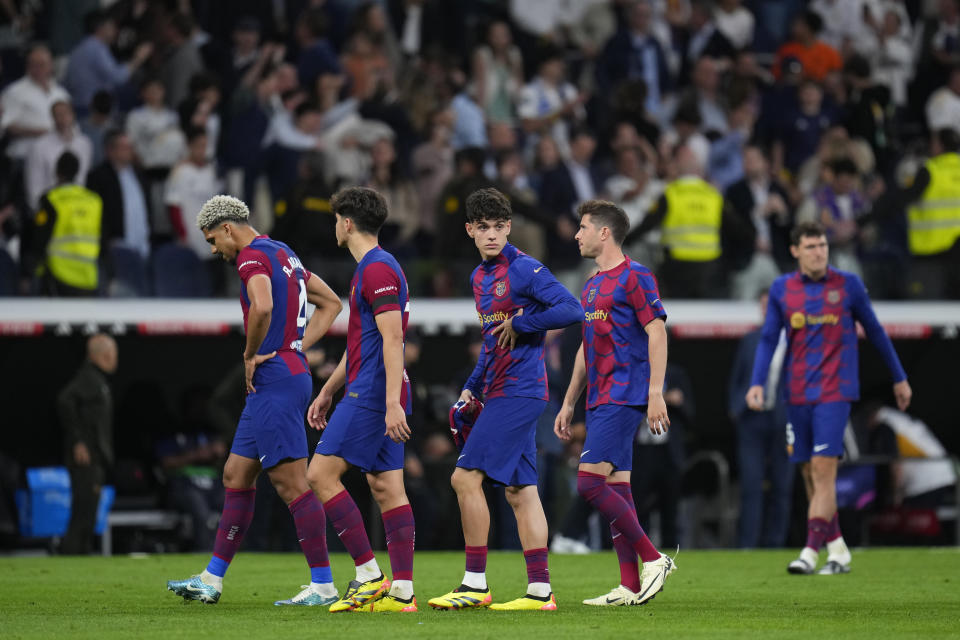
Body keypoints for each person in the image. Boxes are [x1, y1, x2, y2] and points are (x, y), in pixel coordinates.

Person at [167, 195, 344, 605]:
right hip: (283, 374)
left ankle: (323, 585)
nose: (215, 250)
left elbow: (261, 305)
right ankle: (212, 579)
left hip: (275, 378)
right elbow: (331, 303)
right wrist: (295, 347)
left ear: (228, 228)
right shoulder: (284, 253)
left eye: (213, 240)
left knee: (291, 484)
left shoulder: (249, 257)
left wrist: (252, 354)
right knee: (235, 474)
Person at [427, 188, 581, 612]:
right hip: (498, 388)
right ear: (470, 231)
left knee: (464, 479)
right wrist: (473, 385)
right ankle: (540, 592)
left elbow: (571, 309)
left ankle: (475, 584)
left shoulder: (525, 268)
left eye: (498, 227)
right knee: (520, 491)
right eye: (483, 228)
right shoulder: (479, 278)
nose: (491, 235)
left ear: (508, 227)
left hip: (520, 391)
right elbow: (492, 342)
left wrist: (523, 319)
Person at [746, 221, 912, 575]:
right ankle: (838, 549)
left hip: (835, 392)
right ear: (795, 251)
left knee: (823, 471)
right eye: (810, 247)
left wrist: (900, 377)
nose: (819, 251)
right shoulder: (781, 289)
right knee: (809, 473)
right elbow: (768, 339)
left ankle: (809, 551)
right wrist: (757, 382)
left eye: (822, 245)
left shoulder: (848, 285)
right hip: (797, 393)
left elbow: (877, 331)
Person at [555, 199, 676, 607]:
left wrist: (655, 391)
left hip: (625, 394)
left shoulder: (636, 276)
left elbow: (656, 331)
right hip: (599, 395)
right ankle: (629, 585)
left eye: (583, 227)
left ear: (604, 233)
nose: (577, 234)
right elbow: (586, 350)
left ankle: (653, 558)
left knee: (588, 483)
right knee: (616, 488)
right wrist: (569, 401)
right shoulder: (591, 284)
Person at [305, 186, 418, 613]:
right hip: (371, 385)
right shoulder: (375, 268)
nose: (336, 226)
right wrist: (329, 389)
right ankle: (403, 593)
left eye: (337, 219)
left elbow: (393, 340)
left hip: (373, 392)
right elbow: (364, 343)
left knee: (320, 474)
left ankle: (370, 576)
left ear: (347, 223)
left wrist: (390, 403)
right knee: (387, 486)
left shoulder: (376, 270)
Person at [728, 290, 792, 548]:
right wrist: (734, 408)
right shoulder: (751, 339)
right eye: (765, 305)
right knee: (751, 484)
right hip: (752, 419)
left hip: (785, 420)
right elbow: (737, 377)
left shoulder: (796, 341)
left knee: (782, 485)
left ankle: (775, 543)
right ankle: (748, 545)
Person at [57, 334, 117, 554]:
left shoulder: (98, 381)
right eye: (110, 355)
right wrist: (78, 441)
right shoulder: (88, 378)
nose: (113, 360)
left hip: (95, 455)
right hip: (86, 456)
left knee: (90, 508)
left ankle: (82, 551)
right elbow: (65, 400)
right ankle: (72, 551)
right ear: (97, 356)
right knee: (83, 508)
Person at [22, 152, 102, 296]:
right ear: (77, 171)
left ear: (57, 172)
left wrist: (27, 272)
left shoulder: (51, 200)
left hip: (57, 275)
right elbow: (104, 239)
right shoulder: (94, 201)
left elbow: (39, 237)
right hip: (88, 276)